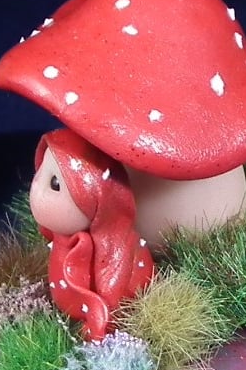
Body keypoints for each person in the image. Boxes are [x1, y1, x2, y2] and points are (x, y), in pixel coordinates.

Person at [30, 128, 154, 341]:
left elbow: (113, 300)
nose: (36, 191)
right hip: (66, 312)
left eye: (55, 184)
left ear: (95, 201)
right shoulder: (61, 237)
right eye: (39, 174)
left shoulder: (99, 251)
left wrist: (98, 325)